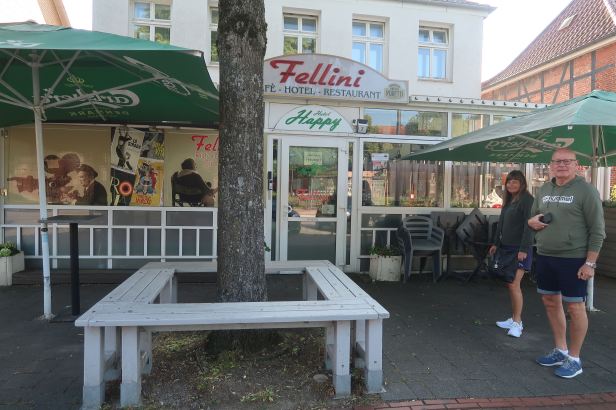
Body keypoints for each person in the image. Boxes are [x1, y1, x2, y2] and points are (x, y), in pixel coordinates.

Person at [528, 148, 605, 379]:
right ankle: (560, 350)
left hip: (574, 258)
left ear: (576, 164)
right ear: (550, 165)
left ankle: (574, 358)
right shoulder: (544, 189)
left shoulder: (586, 191)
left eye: (567, 161)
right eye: (557, 161)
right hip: (546, 255)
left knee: (575, 307)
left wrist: (590, 263)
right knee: (550, 302)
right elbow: (533, 217)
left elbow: (598, 230)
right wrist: (532, 222)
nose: (561, 165)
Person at [489, 170, 534, 338]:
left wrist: (523, 249)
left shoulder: (527, 200)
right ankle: (514, 318)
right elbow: (501, 223)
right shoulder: (509, 199)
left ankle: (517, 323)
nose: (511, 184)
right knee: (510, 283)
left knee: (515, 284)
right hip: (506, 247)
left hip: (520, 249)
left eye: (515, 181)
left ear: (522, 183)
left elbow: (529, 226)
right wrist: (496, 243)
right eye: (509, 181)